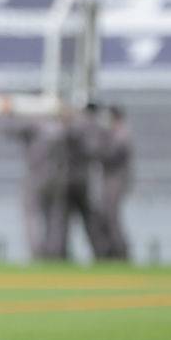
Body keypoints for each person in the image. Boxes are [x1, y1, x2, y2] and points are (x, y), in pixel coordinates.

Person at [0, 96, 68, 259]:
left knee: (32, 215)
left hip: (36, 176)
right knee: (56, 217)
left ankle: (37, 253)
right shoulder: (62, 126)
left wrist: (5, 112)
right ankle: (56, 254)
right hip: (59, 177)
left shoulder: (35, 124)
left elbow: (8, 129)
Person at [63, 104, 112, 260]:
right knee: (91, 221)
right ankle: (101, 253)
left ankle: (59, 254)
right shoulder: (99, 129)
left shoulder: (76, 126)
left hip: (70, 180)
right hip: (87, 180)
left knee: (63, 221)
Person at [98, 105, 133, 260]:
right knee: (107, 216)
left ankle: (119, 253)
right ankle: (112, 251)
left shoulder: (121, 134)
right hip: (110, 180)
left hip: (116, 181)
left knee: (112, 217)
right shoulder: (116, 133)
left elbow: (111, 154)